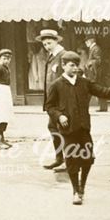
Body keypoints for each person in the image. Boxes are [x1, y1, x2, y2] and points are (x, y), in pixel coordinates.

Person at [44, 51, 110, 205]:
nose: (75, 68)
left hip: (83, 128)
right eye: (72, 65)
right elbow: (49, 106)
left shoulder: (84, 82)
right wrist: (59, 116)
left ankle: (82, 186)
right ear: (63, 66)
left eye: (77, 65)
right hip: (68, 130)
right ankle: (76, 190)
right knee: (71, 160)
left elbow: (104, 92)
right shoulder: (56, 85)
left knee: (88, 159)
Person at [36, 29, 66, 171]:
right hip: (53, 101)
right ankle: (60, 158)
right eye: (45, 44)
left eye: (49, 43)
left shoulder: (63, 56)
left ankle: (67, 160)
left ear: (56, 41)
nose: (47, 46)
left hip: (61, 101)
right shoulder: (52, 56)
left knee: (63, 129)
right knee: (54, 127)